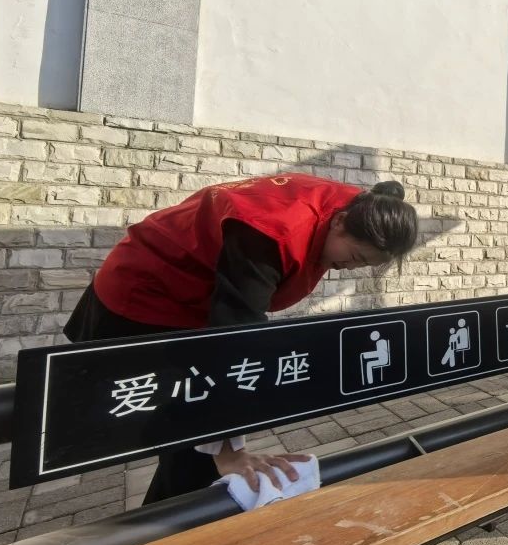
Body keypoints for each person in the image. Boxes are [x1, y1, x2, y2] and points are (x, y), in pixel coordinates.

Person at [65, 174, 418, 503]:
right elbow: (235, 338)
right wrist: (230, 451)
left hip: (195, 303)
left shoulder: (364, 206)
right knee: (191, 425)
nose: (350, 268)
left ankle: (172, 528)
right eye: (354, 257)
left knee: (194, 434)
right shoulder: (271, 231)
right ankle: (161, 534)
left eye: (363, 265)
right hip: (145, 297)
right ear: (339, 222)